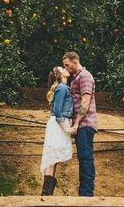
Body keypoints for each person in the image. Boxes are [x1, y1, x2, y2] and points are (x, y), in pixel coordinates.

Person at [62, 51, 98, 197]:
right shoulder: (76, 77)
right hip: (81, 124)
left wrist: (76, 123)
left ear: (75, 61)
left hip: (85, 123)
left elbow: (85, 101)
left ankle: (86, 194)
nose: (66, 68)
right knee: (83, 158)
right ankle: (84, 193)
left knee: (86, 157)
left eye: (67, 65)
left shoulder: (85, 76)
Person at [40, 65, 76, 196]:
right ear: (60, 75)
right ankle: (46, 192)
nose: (66, 69)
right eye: (63, 68)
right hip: (58, 125)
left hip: (59, 124)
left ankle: (48, 190)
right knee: (52, 157)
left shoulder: (64, 87)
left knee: (54, 157)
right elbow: (57, 111)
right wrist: (66, 127)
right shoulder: (61, 88)